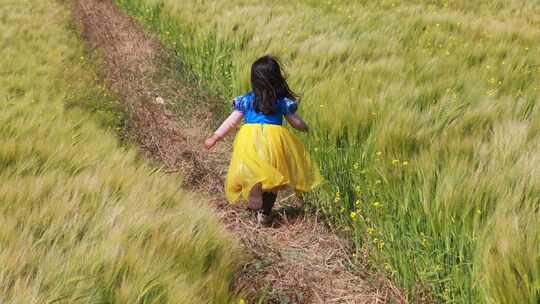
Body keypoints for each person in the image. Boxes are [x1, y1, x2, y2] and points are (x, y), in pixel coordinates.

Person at [204, 55, 322, 225]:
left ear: (254, 80)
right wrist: (305, 127)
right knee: (273, 179)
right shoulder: (281, 101)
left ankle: (254, 190)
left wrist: (215, 136)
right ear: (276, 78)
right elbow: (295, 121)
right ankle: (265, 214)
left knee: (251, 170)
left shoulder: (247, 100)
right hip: (274, 141)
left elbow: (232, 121)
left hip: (249, 139)